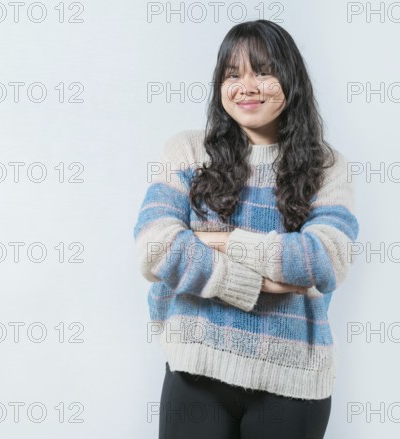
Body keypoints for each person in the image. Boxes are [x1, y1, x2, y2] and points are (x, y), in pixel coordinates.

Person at [133, 19, 359, 439]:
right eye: (232, 74)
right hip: (196, 371)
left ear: (290, 80)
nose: (247, 86)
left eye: (263, 71)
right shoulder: (187, 150)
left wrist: (216, 242)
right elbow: (155, 247)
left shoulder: (327, 167)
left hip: (292, 383)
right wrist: (259, 280)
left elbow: (325, 260)